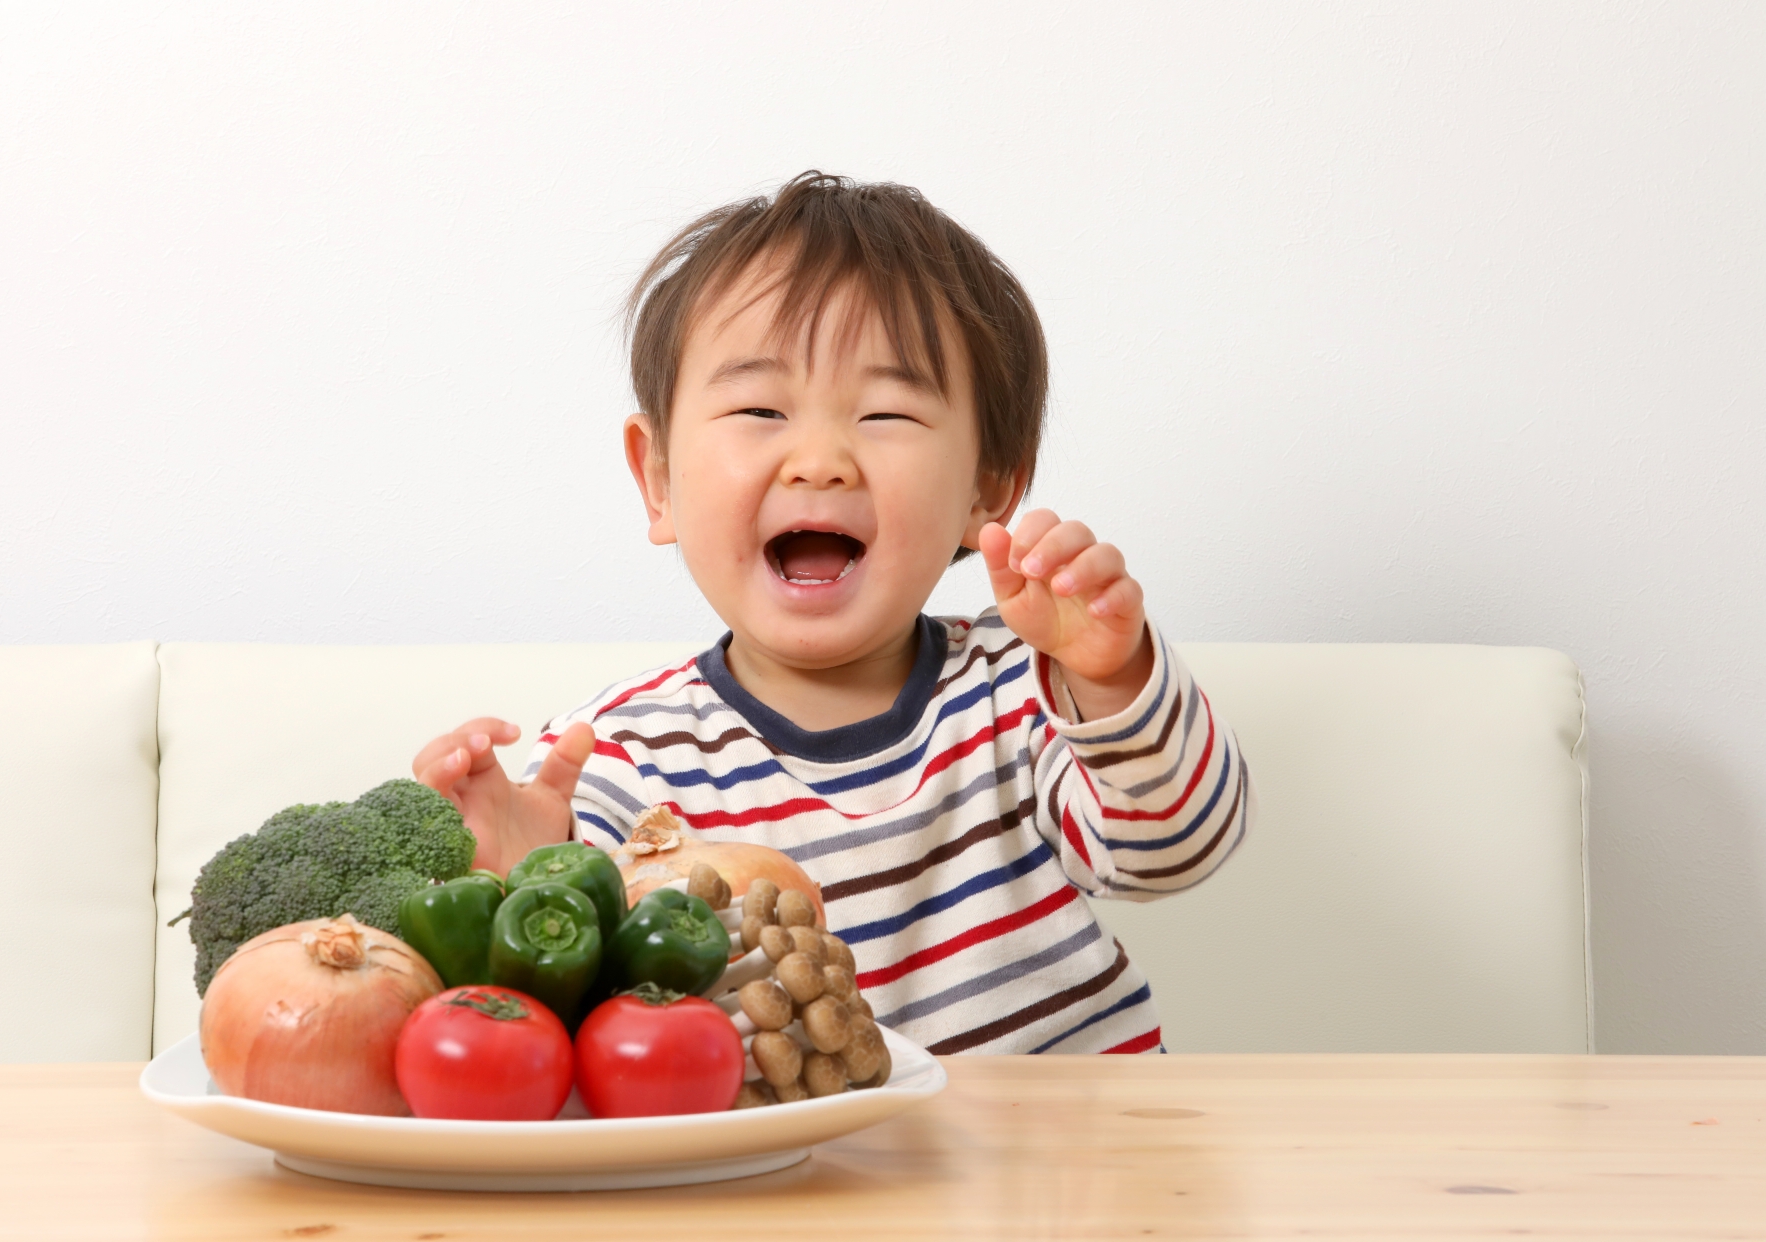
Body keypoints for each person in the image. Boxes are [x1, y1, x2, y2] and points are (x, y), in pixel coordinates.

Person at [413, 172, 1248, 1055]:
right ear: (658, 478)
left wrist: (1113, 677)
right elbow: (560, 1026)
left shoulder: (1024, 694)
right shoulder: (613, 759)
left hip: (1066, 1172)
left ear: (989, 487)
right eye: (760, 409)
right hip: (779, 1186)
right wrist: (514, 874)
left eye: (886, 412)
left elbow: (1175, 851)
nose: (820, 460)